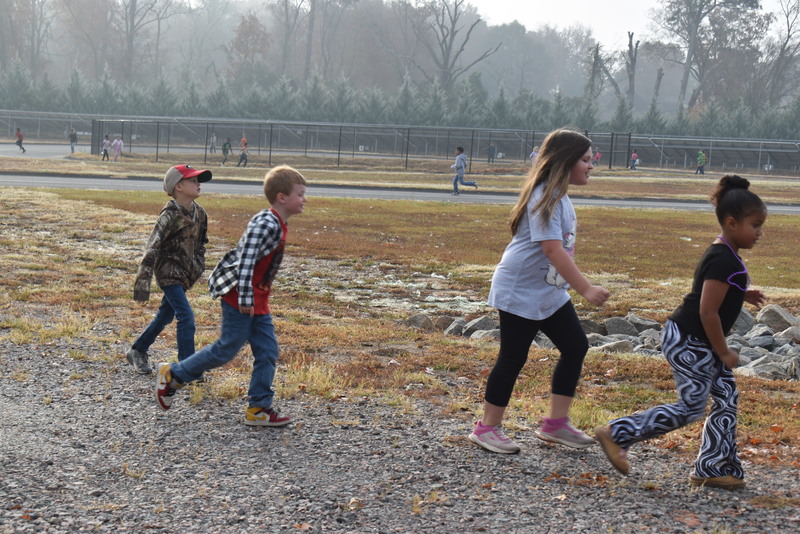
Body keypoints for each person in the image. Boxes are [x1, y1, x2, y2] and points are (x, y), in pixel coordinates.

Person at [595, 175, 767, 490]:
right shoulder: (724, 261)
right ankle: (617, 434)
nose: (759, 233)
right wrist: (724, 351)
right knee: (691, 407)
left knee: (726, 398)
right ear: (731, 223)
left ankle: (711, 467)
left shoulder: (725, 255)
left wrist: (742, 293)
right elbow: (707, 311)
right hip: (691, 340)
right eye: (755, 225)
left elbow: (714, 292)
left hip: (694, 339)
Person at [468, 129, 609, 454]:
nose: (591, 166)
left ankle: (556, 424)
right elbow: (552, 250)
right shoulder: (545, 196)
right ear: (566, 161)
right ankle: (486, 428)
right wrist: (585, 288)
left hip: (546, 290)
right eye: (586, 160)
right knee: (513, 357)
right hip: (520, 289)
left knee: (575, 346)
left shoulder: (559, 196)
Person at [155, 165, 308, 428]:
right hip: (241, 297)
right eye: (300, 194)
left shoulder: (279, 223)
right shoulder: (266, 223)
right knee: (226, 348)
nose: (305, 199)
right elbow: (246, 262)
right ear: (282, 197)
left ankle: (259, 408)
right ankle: (173, 375)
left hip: (257, 301)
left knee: (268, 351)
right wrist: (247, 298)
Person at [127, 165, 212, 374]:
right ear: (179, 186)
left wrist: (198, 265)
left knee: (166, 315)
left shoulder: (200, 213)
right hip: (168, 274)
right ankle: (187, 369)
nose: (198, 184)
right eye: (193, 181)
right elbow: (152, 247)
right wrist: (142, 283)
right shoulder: (169, 215)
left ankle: (138, 349)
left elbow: (202, 243)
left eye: (198, 180)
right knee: (186, 317)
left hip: (185, 275)